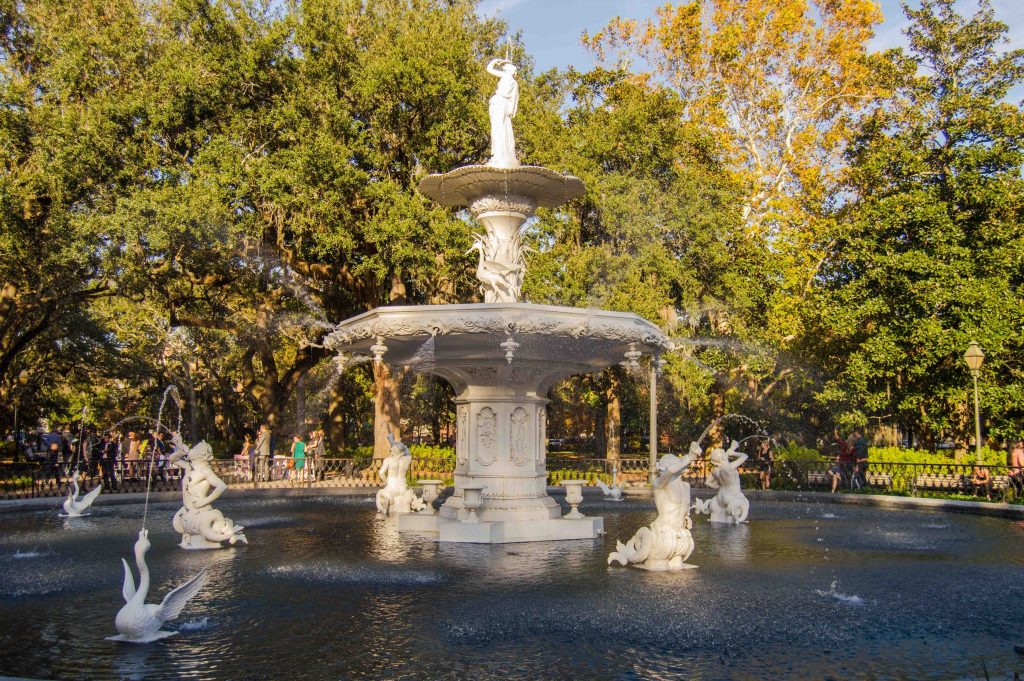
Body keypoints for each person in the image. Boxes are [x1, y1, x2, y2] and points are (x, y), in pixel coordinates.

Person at [485, 58, 519, 167]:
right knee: (497, 128)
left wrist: (495, 61)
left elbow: (489, 68)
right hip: (498, 102)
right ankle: (498, 154)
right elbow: (514, 99)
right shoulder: (512, 81)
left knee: (498, 128)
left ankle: (499, 154)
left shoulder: (507, 77)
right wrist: (510, 110)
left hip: (500, 102)